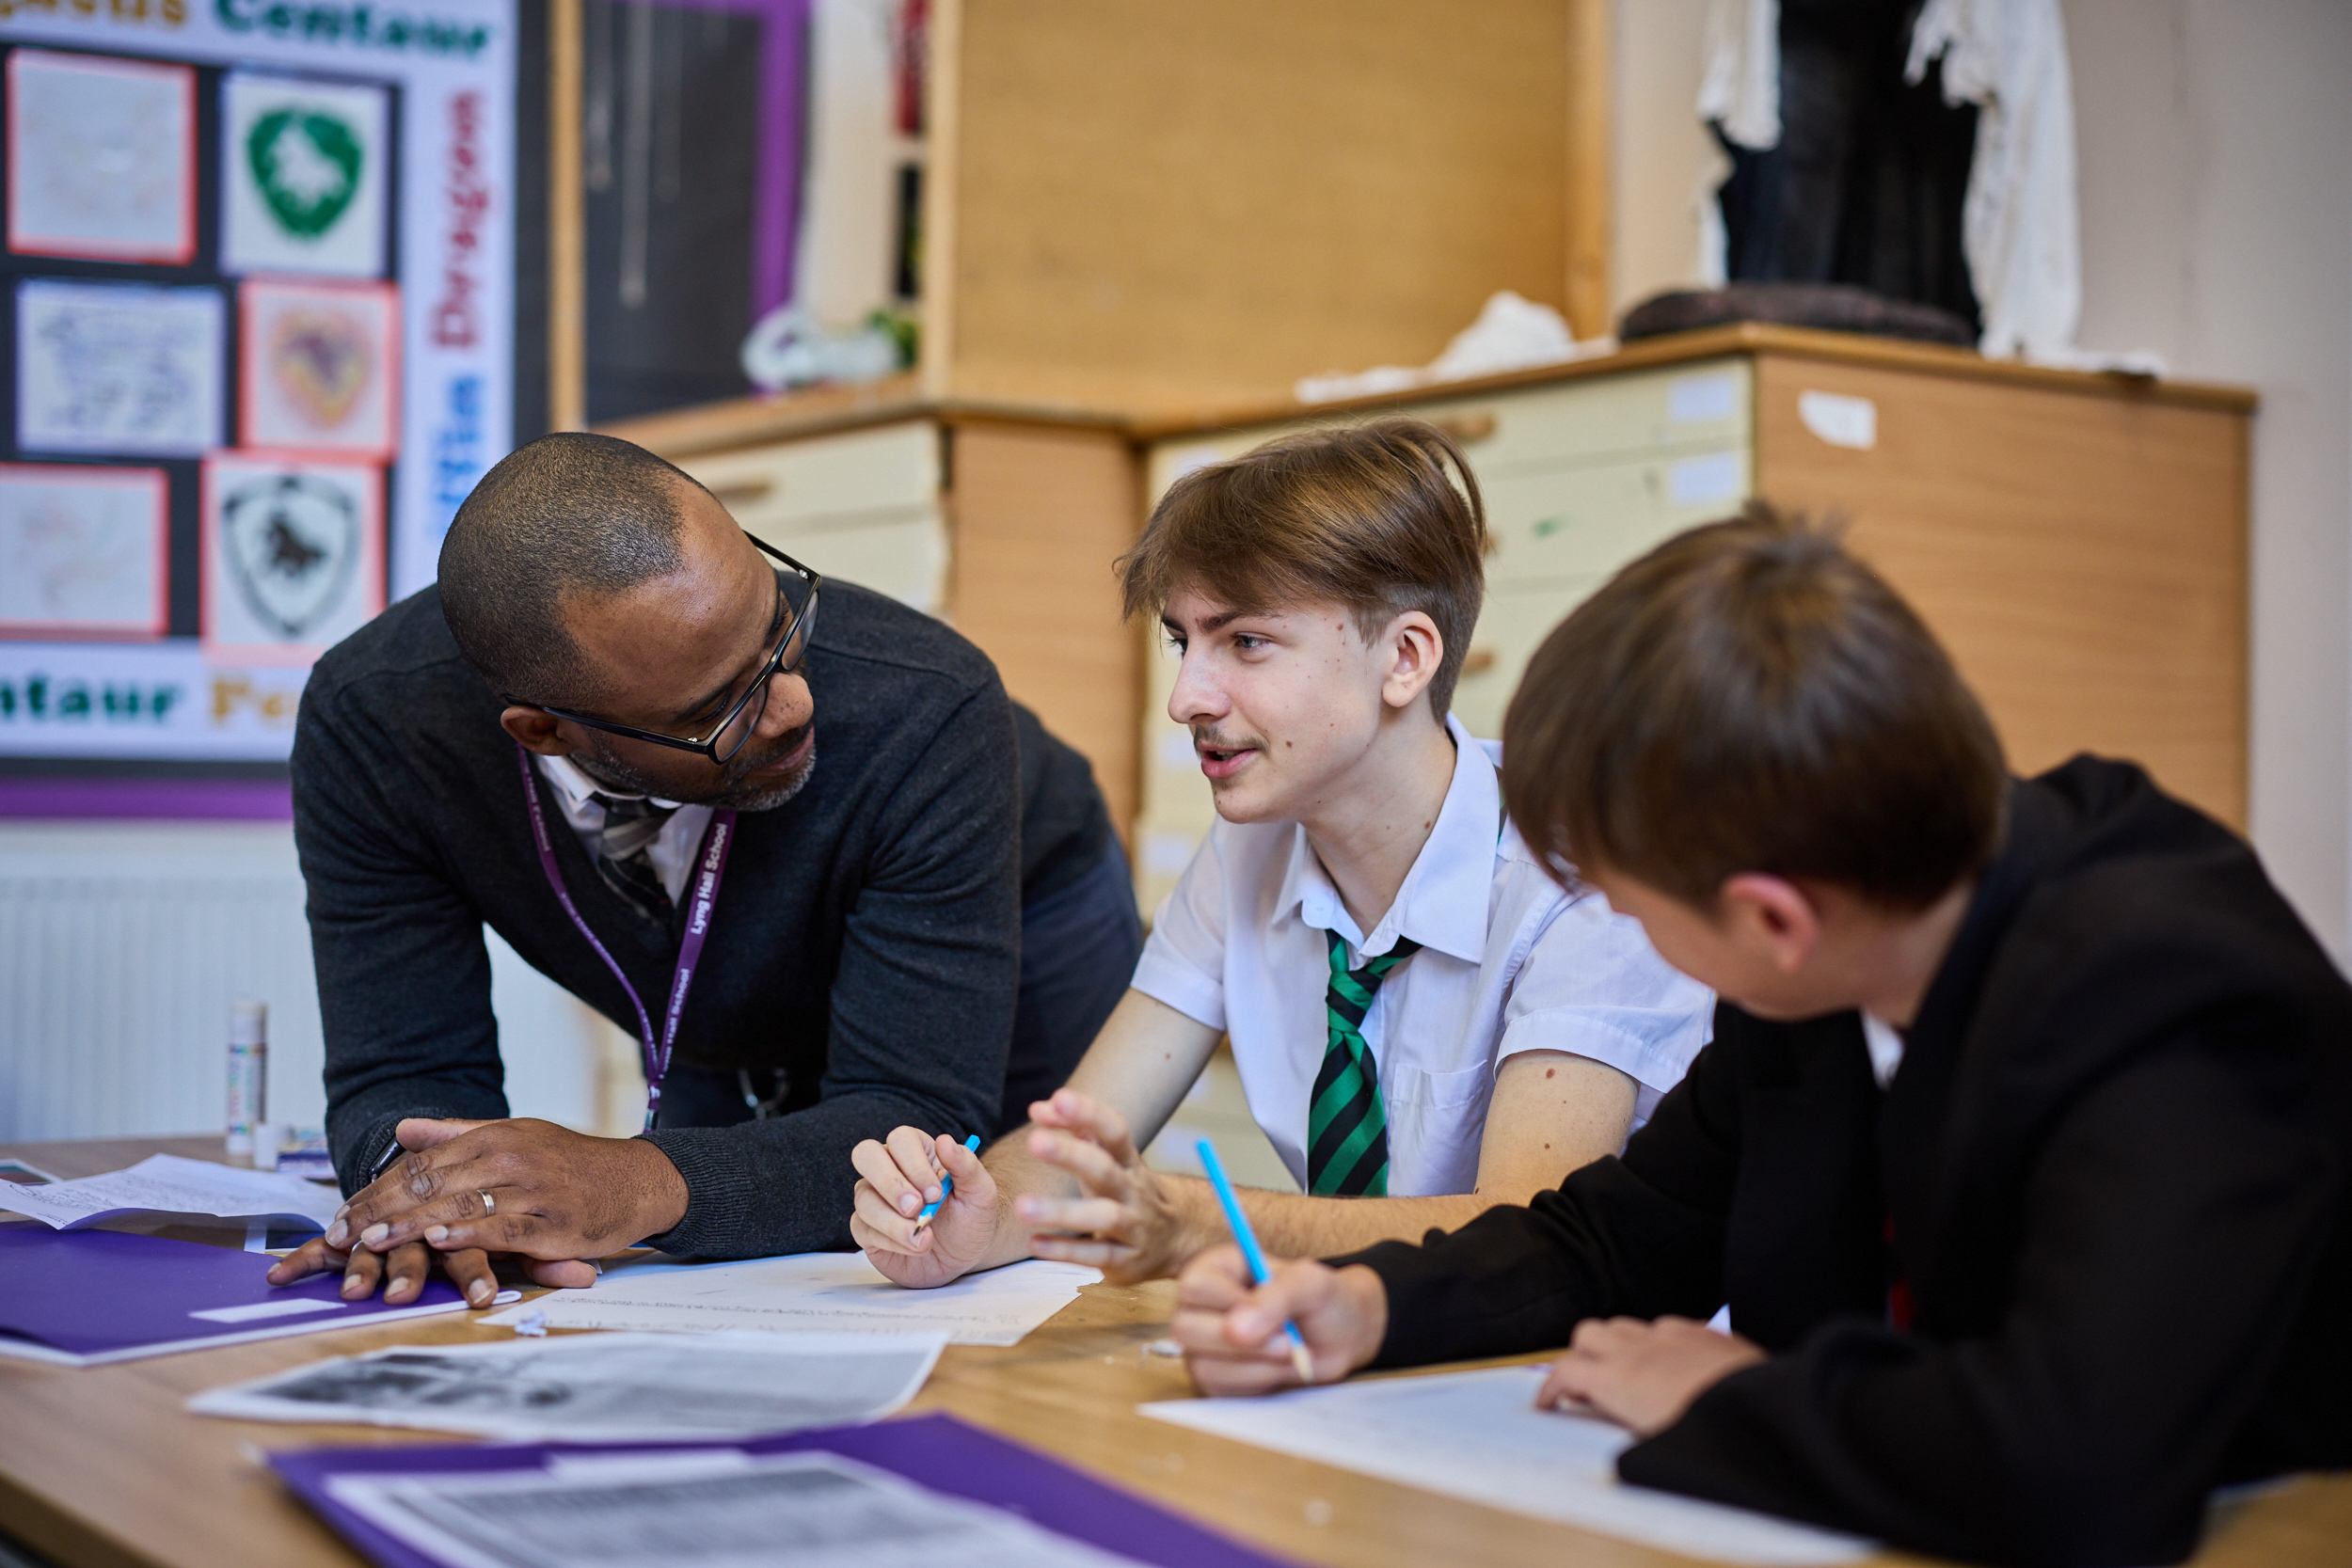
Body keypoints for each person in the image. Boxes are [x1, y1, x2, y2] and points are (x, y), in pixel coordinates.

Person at [1169, 504, 2352, 1567]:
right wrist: (1371, 1305)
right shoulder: (1833, 949)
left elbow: (2074, 1463)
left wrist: (1728, 1396)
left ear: (1774, 919)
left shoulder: (2172, 993)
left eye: (1637, 910)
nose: (1632, 935)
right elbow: (1614, 1239)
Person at [265, 432, 1139, 1309]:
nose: (796, 703)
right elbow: (405, 1061)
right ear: (546, 731)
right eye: (717, 707)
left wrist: (634, 1184)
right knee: (735, 1276)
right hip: (710, 977)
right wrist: (431, 1207)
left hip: (1026, 919)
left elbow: (911, 1113)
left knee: (983, 1254)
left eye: (778, 626)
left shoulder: (927, 704)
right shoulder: (372, 724)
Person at [850, 419, 1711, 1289]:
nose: (1187, 697)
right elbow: (1077, 1146)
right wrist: (984, 1213)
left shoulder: (1583, 873)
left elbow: (1533, 1234)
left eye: (1247, 642)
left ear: (1405, 657)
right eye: (1185, 641)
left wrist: (1201, 1226)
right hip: (1368, 1357)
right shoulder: (1249, 847)